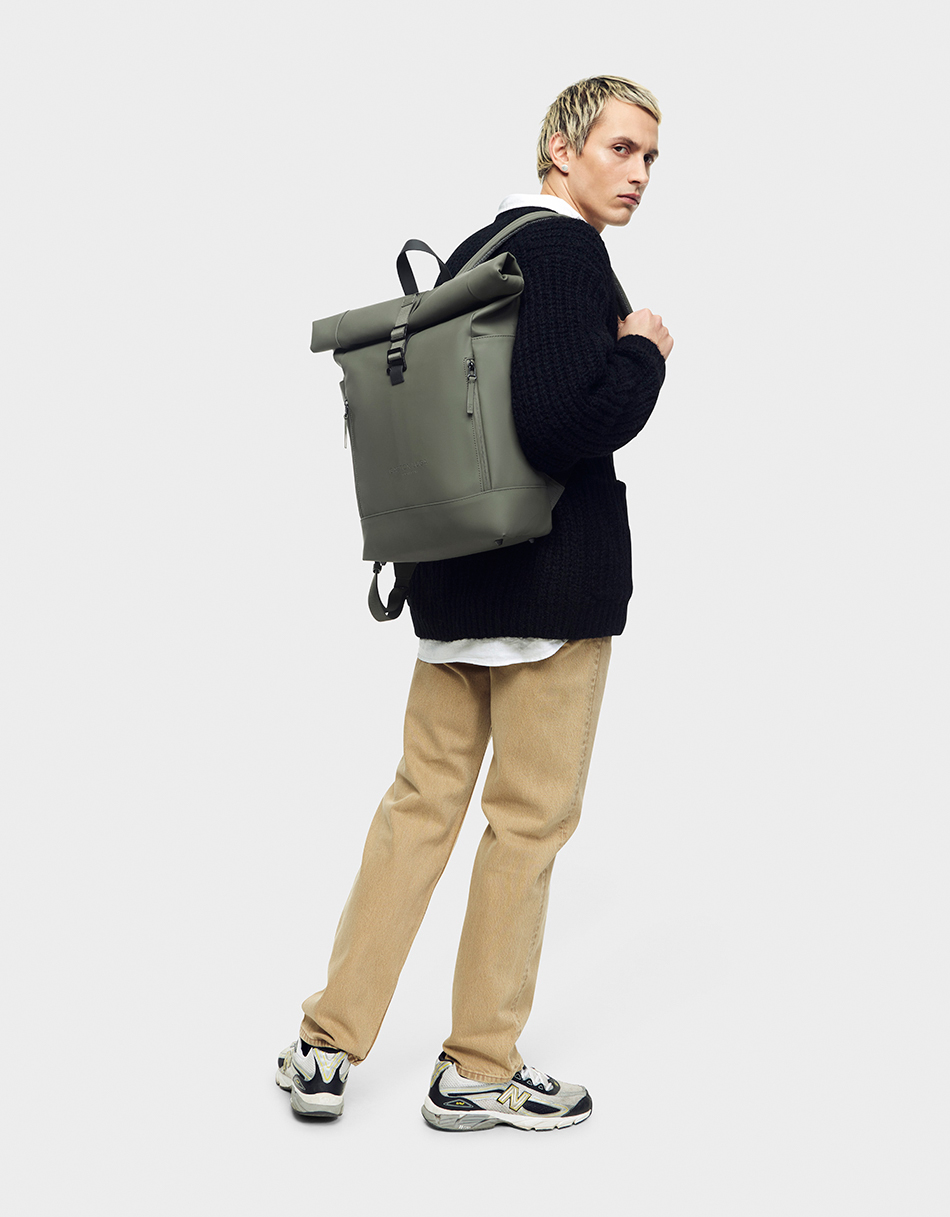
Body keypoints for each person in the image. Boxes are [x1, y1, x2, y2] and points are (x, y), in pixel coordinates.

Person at [277, 74, 673, 1132]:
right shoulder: (567, 253)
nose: (638, 173)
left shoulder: (475, 251)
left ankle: (324, 1043)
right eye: (621, 148)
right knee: (526, 825)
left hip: (454, 586)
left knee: (418, 810)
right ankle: (478, 1068)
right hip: (549, 590)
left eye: (650, 158)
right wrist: (642, 350)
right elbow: (560, 424)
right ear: (560, 148)